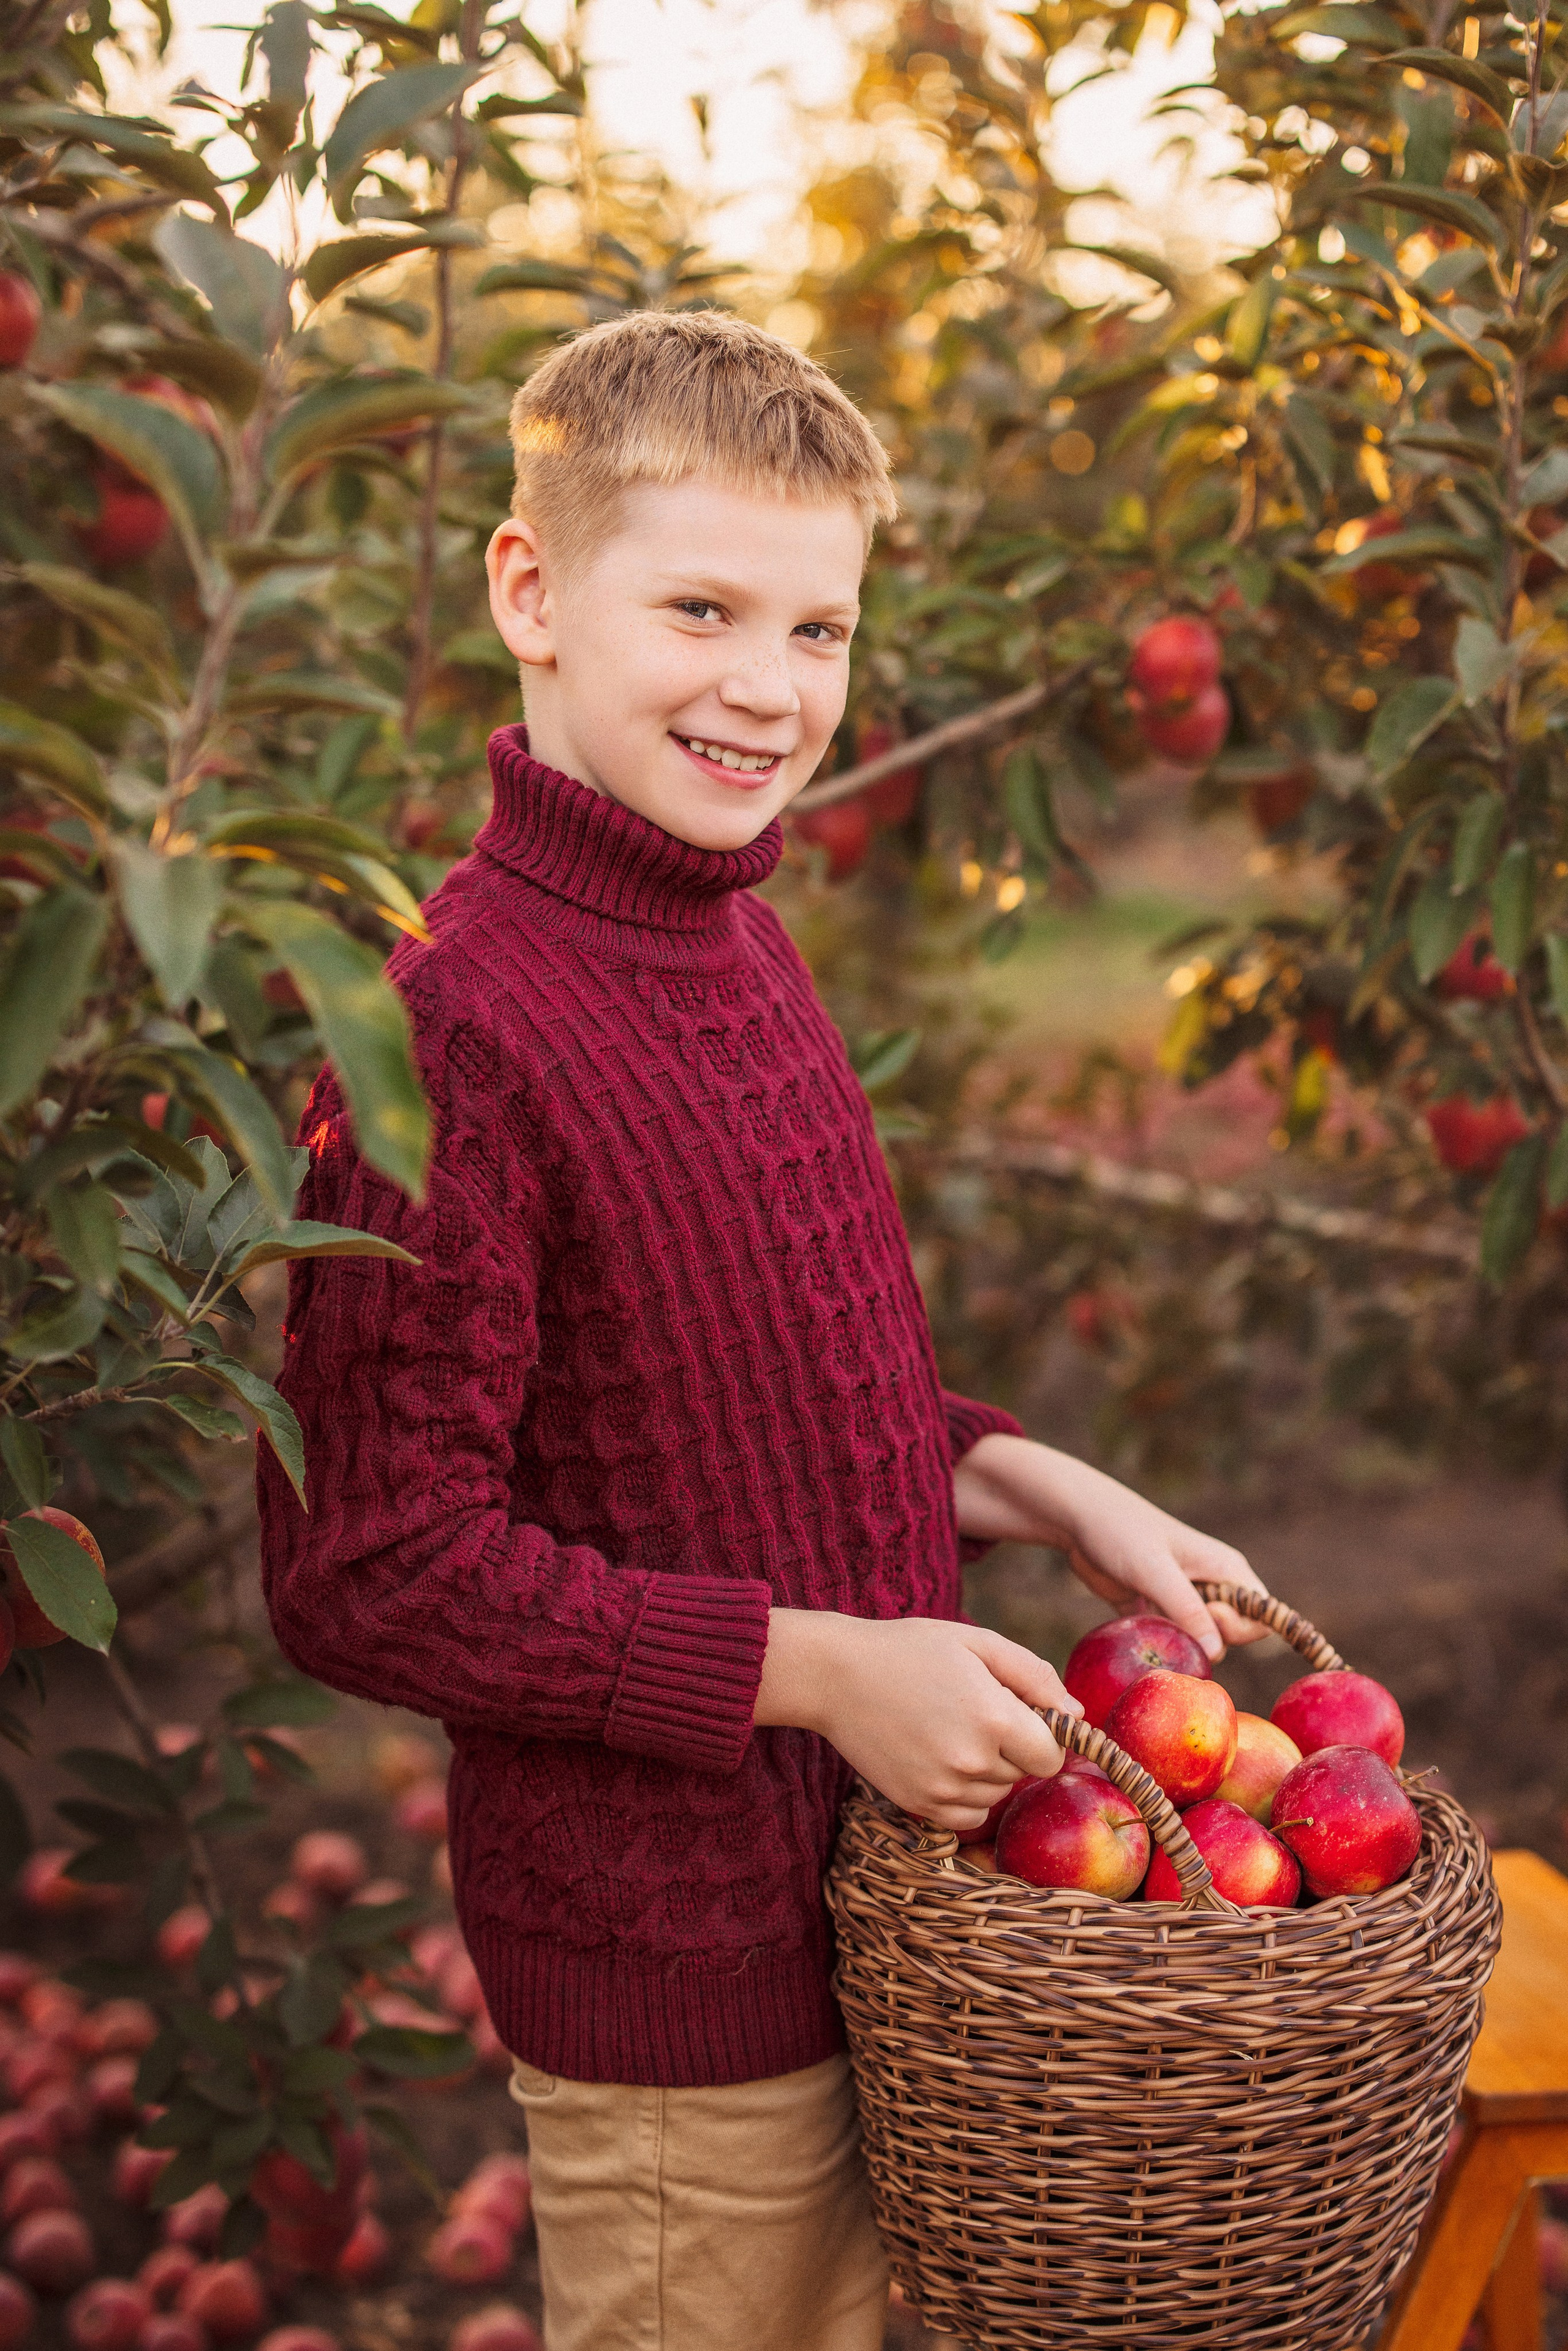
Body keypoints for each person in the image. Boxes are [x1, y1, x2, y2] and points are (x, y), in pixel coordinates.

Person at [257, 308, 1269, 2351]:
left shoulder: (736, 931)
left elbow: (742, 1379)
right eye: (703, 607)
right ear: (531, 593)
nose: (767, 689)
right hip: (676, 2005)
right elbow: (370, 1567)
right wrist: (820, 1675)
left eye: (819, 632)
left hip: (877, 1923)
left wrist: (1023, 1474)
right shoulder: (452, 1018)